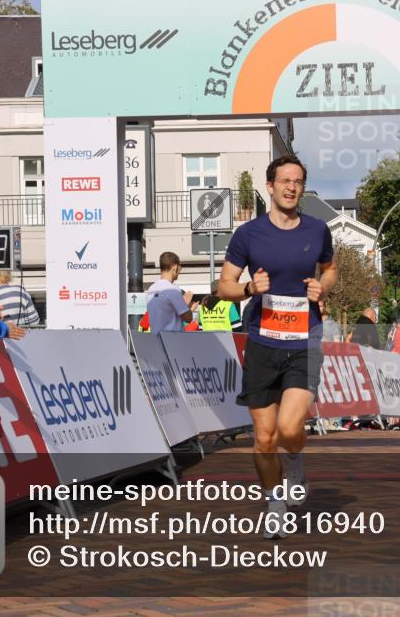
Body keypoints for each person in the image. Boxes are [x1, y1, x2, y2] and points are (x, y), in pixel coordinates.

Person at [217, 155, 337, 536]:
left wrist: (324, 286)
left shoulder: (317, 230)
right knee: (264, 438)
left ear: (303, 187)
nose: (290, 187)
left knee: (288, 429)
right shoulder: (248, 235)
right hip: (262, 341)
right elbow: (225, 287)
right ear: (270, 186)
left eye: (298, 181)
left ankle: (296, 458)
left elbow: (331, 269)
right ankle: (275, 502)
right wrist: (251, 288)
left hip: (304, 337)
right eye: (284, 180)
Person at [146, 252, 193, 333]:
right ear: (174, 268)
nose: (179, 271)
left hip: (156, 338)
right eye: (179, 268)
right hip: (172, 340)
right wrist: (186, 304)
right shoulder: (173, 290)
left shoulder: (151, 289)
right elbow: (188, 318)